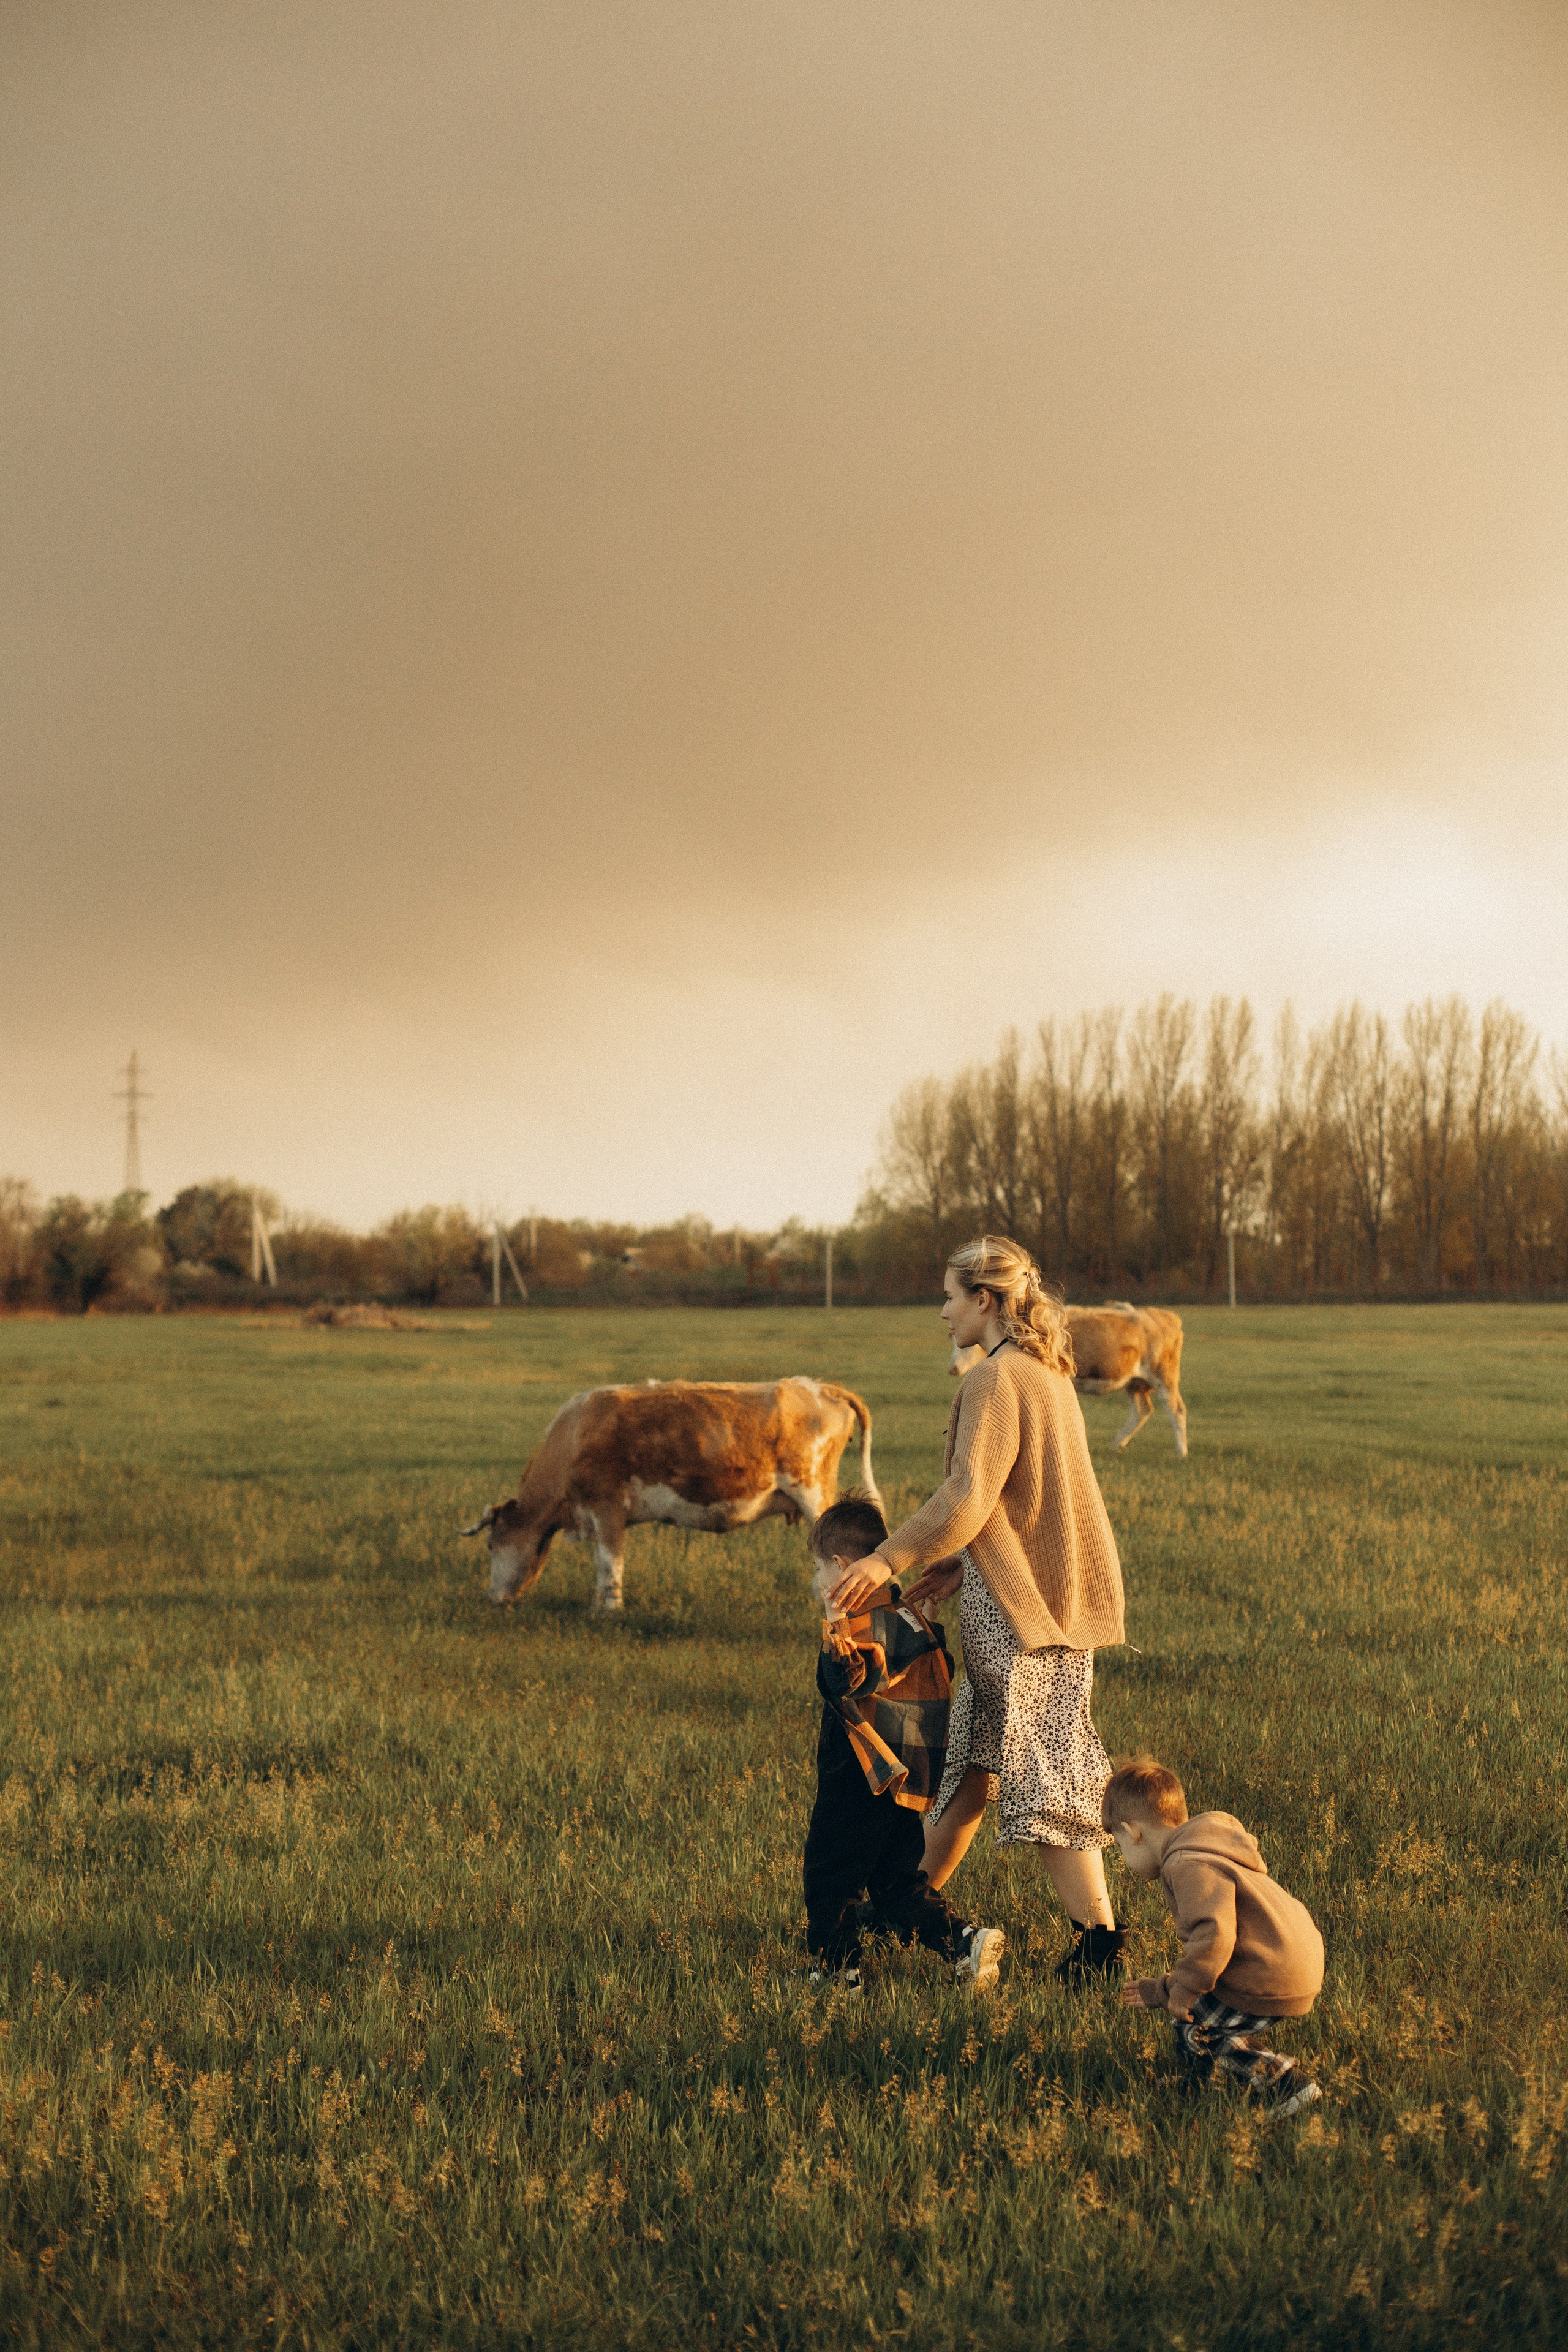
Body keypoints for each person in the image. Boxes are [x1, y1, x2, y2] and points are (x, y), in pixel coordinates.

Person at [827, 1236, 1127, 1981]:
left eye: (951, 1297)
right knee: (967, 1764)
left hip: (1027, 1616)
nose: (942, 1312)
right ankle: (909, 1906)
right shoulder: (1042, 1373)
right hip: (1031, 1594)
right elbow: (1021, 1497)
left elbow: (968, 1493)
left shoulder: (996, 1381)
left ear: (984, 1301)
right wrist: (965, 1559)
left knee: (1046, 1770)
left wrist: (884, 1558)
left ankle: (1099, 1945)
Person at [802, 1496, 1006, 1995]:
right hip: (905, 1782)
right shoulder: (910, 1619)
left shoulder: (862, 1626)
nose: (815, 1582)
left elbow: (848, 1681)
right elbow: (938, 1671)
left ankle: (836, 1976)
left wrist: (835, 1629)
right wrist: (932, 1619)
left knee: (831, 1875)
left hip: (861, 1777)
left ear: (841, 1568)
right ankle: (965, 1942)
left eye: (817, 1570)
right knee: (896, 1886)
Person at [1106, 1758, 1324, 2114]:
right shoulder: (1207, 1848)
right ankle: (1200, 2084)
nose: (1123, 1856)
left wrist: (1185, 1989)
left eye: (1118, 1846)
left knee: (1201, 2032)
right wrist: (1164, 1991)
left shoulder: (1186, 1865)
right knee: (1192, 2018)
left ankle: (1286, 2084)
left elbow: (1214, 1935)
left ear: (1133, 1832)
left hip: (1270, 1971)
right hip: (1288, 1958)